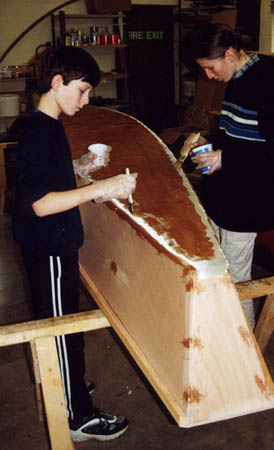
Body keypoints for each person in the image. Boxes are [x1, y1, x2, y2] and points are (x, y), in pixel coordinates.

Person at [12, 46, 137, 442]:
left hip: (55, 243)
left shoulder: (47, 125)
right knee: (64, 329)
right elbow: (41, 203)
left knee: (66, 324)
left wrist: (78, 167)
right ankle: (77, 416)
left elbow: (48, 178)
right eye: (82, 91)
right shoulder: (37, 132)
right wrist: (102, 187)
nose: (86, 100)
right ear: (56, 83)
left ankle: (70, 386)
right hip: (48, 244)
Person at [182, 23, 274, 329]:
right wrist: (208, 143)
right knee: (220, 270)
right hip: (228, 193)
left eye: (210, 68)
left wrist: (226, 157)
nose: (209, 76)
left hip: (249, 200)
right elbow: (236, 134)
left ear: (231, 54)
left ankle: (245, 355)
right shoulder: (237, 76)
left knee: (236, 280)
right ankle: (224, 331)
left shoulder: (267, 79)